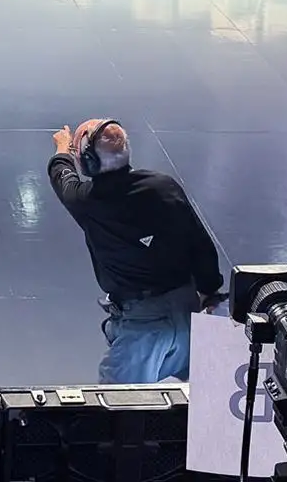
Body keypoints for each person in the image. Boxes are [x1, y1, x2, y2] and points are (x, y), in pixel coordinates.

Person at [48, 118, 224, 383]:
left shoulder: (88, 201)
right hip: (188, 313)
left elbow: (62, 176)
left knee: (119, 413)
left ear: (89, 161)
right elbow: (201, 244)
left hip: (144, 327)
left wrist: (62, 148)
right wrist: (210, 291)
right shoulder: (164, 186)